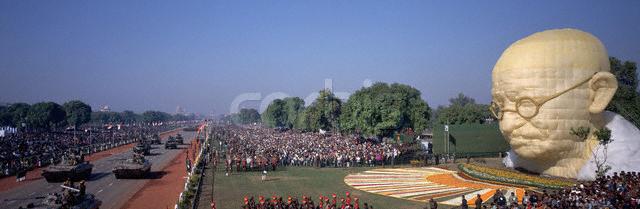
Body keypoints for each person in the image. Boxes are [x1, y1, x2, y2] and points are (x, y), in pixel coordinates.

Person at [492, 28, 640, 180]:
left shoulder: (629, 166)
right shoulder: (516, 158)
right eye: (500, 106)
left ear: (598, 94)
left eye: (527, 104)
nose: (507, 126)